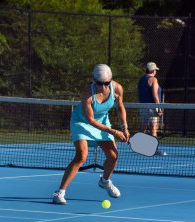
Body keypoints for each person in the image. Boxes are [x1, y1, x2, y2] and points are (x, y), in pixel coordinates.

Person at [53, 64, 130, 205]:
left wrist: (124, 127)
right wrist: (114, 131)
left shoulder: (117, 88)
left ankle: (105, 181)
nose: (104, 86)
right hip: (81, 122)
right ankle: (60, 192)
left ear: (111, 80)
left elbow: (120, 107)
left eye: (107, 83)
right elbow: (91, 120)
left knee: (113, 156)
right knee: (81, 156)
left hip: (103, 122)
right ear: (94, 81)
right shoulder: (87, 92)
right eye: (100, 83)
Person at [137, 62, 167, 156]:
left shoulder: (141, 80)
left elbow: (138, 94)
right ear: (153, 70)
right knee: (153, 128)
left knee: (143, 128)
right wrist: (158, 108)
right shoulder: (153, 79)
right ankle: (154, 149)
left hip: (142, 106)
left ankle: (141, 148)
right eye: (155, 70)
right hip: (151, 107)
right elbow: (155, 94)